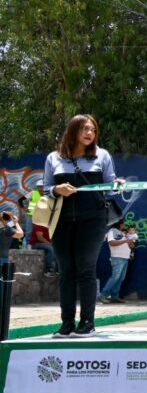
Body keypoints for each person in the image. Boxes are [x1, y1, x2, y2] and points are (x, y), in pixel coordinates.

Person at [43, 114, 122, 337]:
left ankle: (87, 322)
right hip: (61, 220)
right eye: (85, 129)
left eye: (93, 130)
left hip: (93, 219)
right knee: (66, 271)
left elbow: (109, 188)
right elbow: (46, 187)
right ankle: (66, 323)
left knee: (86, 268)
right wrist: (56, 190)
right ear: (73, 130)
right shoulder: (54, 158)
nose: (90, 134)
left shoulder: (102, 156)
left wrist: (117, 185)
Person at [99, 219, 133, 303]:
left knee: (120, 278)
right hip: (117, 257)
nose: (124, 225)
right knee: (115, 277)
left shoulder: (122, 233)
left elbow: (127, 244)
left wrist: (130, 243)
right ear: (119, 224)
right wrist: (125, 240)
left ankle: (114, 296)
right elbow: (112, 243)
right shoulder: (112, 231)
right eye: (123, 224)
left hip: (125, 258)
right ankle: (103, 295)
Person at [1, 211, 24, 287]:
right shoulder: (7, 230)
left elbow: (7, 225)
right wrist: (16, 223)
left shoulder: (3, 229)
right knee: (2, 284)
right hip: (2, 260)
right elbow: (20, 234)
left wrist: (13, 221)